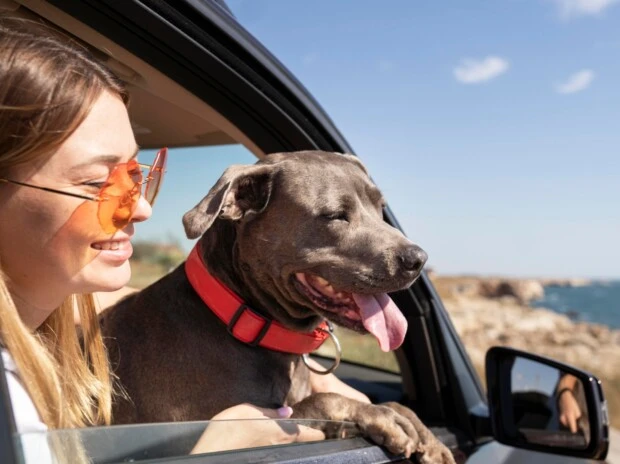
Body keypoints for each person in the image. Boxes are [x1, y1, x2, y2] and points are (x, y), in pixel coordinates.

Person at [0, 14, 365, 460]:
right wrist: (216, 452)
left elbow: (114, 300)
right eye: (97, 183)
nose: (141, 207)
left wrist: (306, 360)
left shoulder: (48, 318)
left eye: (135, 175)